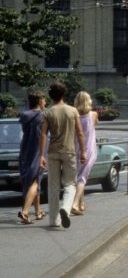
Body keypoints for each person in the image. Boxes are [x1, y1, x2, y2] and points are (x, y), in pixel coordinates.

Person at [39, 82, 86, 229]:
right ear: (63, 94)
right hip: (69, 151)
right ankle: (65, 208)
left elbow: (43, 134)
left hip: (53, 151)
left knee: (53, 186)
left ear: (51, 96)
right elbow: (79, 133)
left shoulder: (48, 112)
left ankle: (54, 220)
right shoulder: (72, 111)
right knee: (69, 184)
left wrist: (41, 155)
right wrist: (83, 151)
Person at [17, 90, 47, 225]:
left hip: (25, 149)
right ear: (40, 101)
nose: (45, 102)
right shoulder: (44, 116)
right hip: (38, 150)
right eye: (44, 100)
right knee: (35, 181)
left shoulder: (24, 115)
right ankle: (25, 212)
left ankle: (38, 212)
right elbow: (44, 135)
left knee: (32, 180)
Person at [71, 91, 100, 215]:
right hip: (88, 149)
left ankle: (81, 203)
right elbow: (95, 123)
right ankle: (75, 203)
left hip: (76, 148)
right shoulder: (93, 114)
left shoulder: (74, 115)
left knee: (79, 176)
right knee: (82, 178)